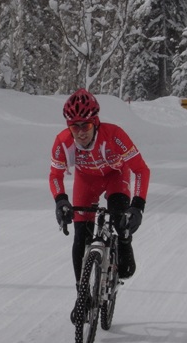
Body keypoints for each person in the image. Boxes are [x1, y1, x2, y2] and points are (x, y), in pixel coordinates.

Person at [49, 89, 150, 319]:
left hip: (116, 176)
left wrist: (137, 206)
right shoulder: (63, 143)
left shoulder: (114, 135)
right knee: (80, 235)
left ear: (95, 122)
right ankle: (82, 296)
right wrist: (61, 201)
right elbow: (55, 175)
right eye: (74, 126)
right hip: (86, 181)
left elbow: (141, 170)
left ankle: (124, 241)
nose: (80, 132)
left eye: (85, 126)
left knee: (118, 219)